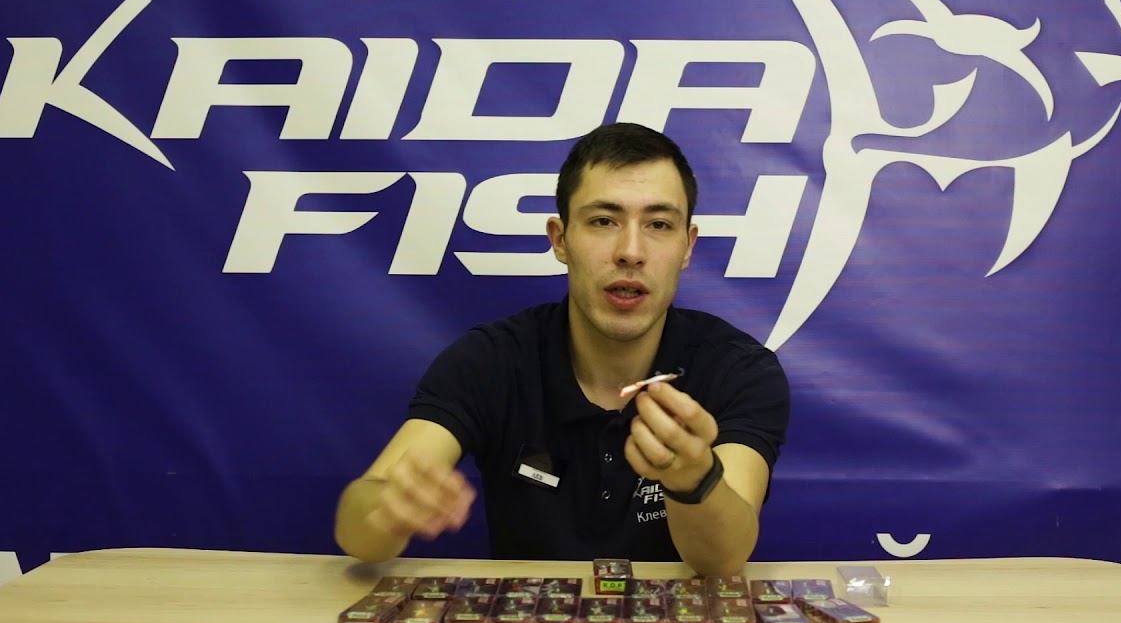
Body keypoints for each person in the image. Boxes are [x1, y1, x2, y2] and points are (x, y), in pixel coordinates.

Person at [334, 123, 789, 576]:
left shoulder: (739, 369)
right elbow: (358, 530)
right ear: (560, 239)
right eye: (603, 221)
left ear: (687, 247)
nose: (631, 251)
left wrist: (693, 479)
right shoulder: (490, 360)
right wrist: (388, 510)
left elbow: (723, 559)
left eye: (658, 225)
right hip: (525, 622)